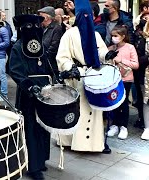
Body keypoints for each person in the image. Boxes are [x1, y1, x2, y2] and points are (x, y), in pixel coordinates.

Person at [56, 0, 112, 153]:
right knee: (77, 110)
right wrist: (71, 68)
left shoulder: (95, 34)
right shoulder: (69, 34)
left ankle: (94, 144)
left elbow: (100, 51)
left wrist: (107, 54)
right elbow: (62, 57)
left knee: (94, 110)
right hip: (77, 77)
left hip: (94, 75)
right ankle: (72, 141)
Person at [9, 14, 50, 180]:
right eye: (28, 26)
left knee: (43, 127)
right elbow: (15, 70)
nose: (33, 30)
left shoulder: (41, 47)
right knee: (31, 128)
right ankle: (33, 166)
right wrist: (28, 85)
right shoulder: (18, 47)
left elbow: (48, 66)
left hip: (45, 93)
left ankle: (41, 160)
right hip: (28, 95)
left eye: (36, 26)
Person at [107, 25, 139, 139]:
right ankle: (114, 125)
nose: (113, 38)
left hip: (126, 79)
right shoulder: (112, 48)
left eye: (116, 36)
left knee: (124, 103)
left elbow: (136, 64)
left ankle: (123, 126)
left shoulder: (130, 48)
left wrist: (122, 61)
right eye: (112, 36)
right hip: (113, 79)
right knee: (113, 102)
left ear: (123, 36)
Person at [38, 6, 63, 79]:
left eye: (41, 16)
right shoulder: (42, 28)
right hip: (43, 63)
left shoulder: (56, 28)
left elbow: (54, 46)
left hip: (51, 64)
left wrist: (44, 55)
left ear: (46, 18)